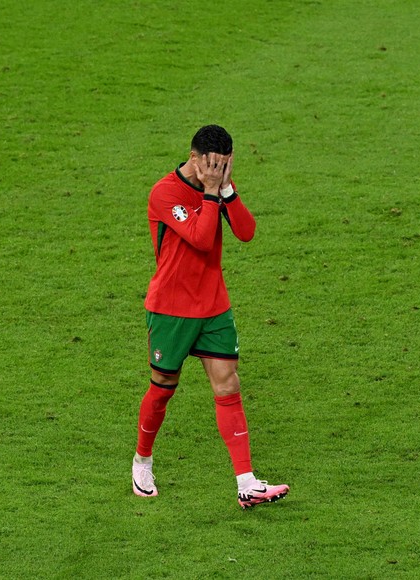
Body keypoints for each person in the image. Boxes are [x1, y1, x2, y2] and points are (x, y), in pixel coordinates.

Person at [132, 124, 289, 509]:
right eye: (214, 164)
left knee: (228, 386)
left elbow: (247, 232)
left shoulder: (218, 187)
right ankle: (142, 462)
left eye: (226, 164)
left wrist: (227, 190)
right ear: (197, 158)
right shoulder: (165, 193)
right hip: (171, 308)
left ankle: (247, 482)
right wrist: (209, 192)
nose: (219, 170)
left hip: (213, 305)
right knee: (163, 387)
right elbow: (201, 239)